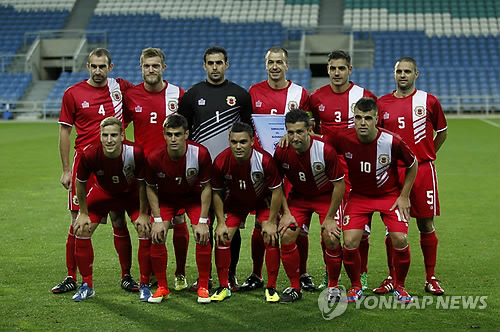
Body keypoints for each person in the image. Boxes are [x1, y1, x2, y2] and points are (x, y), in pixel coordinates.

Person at [53, 48, 139, 294]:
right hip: (84, 164)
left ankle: (126, 276)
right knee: (77, 222)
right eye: (94, 66)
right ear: (87, 67)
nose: (98, 71)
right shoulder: (73, 93)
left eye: (103, 66)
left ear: (110, 67)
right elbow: (65, 132)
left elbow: (142, 100)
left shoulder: (120, 87)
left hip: (114, 162)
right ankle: (72, 276)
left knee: (118, 218)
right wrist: (66, 169)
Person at [325, 97, 418, 303]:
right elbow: (320, 144)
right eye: (358, 118)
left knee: (400, 239)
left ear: (377, 118)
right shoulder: (343, 137)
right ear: (354, 119)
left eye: (368, 118)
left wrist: (404, 195)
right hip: (359, 196)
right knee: (349, 242)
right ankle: (356, 286)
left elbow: (413, 163)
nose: (363, 122)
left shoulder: (392, 140)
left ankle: (400, 286)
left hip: (390, 196)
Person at [178, 46, 253, 292]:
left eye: (219, 63)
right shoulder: (192, 95)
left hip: (231, 172)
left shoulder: (240, 95)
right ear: (204, 65)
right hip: (201, 173)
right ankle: (206, 277)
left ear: (227, 65)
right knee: (204, 224)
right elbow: (184, 133)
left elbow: (247, 133)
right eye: (210, 63)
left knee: (232, 225)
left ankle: (229, 275)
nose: (214, 67)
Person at [375, 57, 447, 296]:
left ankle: (431, 277)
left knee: (425, 223)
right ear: (393, 74)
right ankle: (391, 277)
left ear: (417, 74)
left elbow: (442, 131)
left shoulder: (429, 101)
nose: (402, 75)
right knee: (393, 228)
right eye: (399, 71)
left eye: (407, 71)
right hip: (393, 172)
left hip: (423, 171)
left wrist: (426, 154)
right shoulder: (382, 103)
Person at [245, 46, 314, 292]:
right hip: (263, 168)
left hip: (292, 168)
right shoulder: (254, 92)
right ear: (266, 65)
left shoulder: (300, 93)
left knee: (296, 225)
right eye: (271, 62)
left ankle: (303, 273)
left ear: (287, 65)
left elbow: (309, 126)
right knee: (260, 223)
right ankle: (256, 274)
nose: (275, 66)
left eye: (279, 62)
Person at [123, 47, 190, 292]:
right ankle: (150, 274)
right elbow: (120, 129)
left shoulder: (178, 94)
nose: (150, 70)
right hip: (144, 174)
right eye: (146, 66)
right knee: (150, 224)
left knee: (179, 220)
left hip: (174, 171)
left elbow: (185, 131)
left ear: (163, 67)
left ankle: (180, 273)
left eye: (155, 65)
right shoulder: (131, 96)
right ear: (141, 68)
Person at [310, 50, 377, 291]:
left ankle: (363, 273)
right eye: (332, 68)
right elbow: (312, 128)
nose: (336, 73)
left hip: (359, 169)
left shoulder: (363, 95)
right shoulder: (316, 97)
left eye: (341, 68)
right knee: (329, 226)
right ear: (327, 70)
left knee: (362, 229)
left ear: (350, 70)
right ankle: (331, 274)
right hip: (328, 169)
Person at [71, 117, 150, 302]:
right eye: (105, 135)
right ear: (100, 135)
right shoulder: (90, 153)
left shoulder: (135, 152)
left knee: (145, 228)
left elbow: (143, 185)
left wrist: (145, 214)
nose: (109, 140)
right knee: (81, 229)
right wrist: (82, 213)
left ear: (122, 135)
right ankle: (87, 285)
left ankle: (143, 284)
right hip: (103, 193)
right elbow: (80, 183)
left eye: (114, 135)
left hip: (131, 196)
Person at [273, 110, 345, 303]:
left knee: (331, 236)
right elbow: (276, 183)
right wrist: (286, 213)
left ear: (309, 130)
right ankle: (294, 286)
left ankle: (333, 287)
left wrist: (330, 218)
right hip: (300, 197)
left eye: (299, 132)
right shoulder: (281, 151)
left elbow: (339, 184)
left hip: (326, 197)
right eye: (290, 132)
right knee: (287, 233)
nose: (295, 137)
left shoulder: (325, 150)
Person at [211, 122, 283, 303]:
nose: (238, 146)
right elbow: (217, 193)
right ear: (229, 141)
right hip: (235, 203)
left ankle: (271, 287)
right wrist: (220, 222)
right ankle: (224, 287)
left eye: (243, 142)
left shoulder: (264, 160)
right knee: (222, 236)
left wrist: (272, 221)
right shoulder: (220, 161)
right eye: (234, 142)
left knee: (270, 235)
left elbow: (276, 191)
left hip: (262, 202)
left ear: (252, 141)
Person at [145, 114, 213, 304]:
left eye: (177, 134)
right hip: (166, 200)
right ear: (164, 135)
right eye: (169, 134)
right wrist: (157, 220)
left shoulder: (200, 153)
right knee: (157, 236)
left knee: (202, 236)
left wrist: (202, 220)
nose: (173, 139)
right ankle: (162, 287)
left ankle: (203, 286)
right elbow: (150, 187)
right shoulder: (154, 157)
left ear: (186, 134)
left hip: (193, 199)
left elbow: (207, 186)